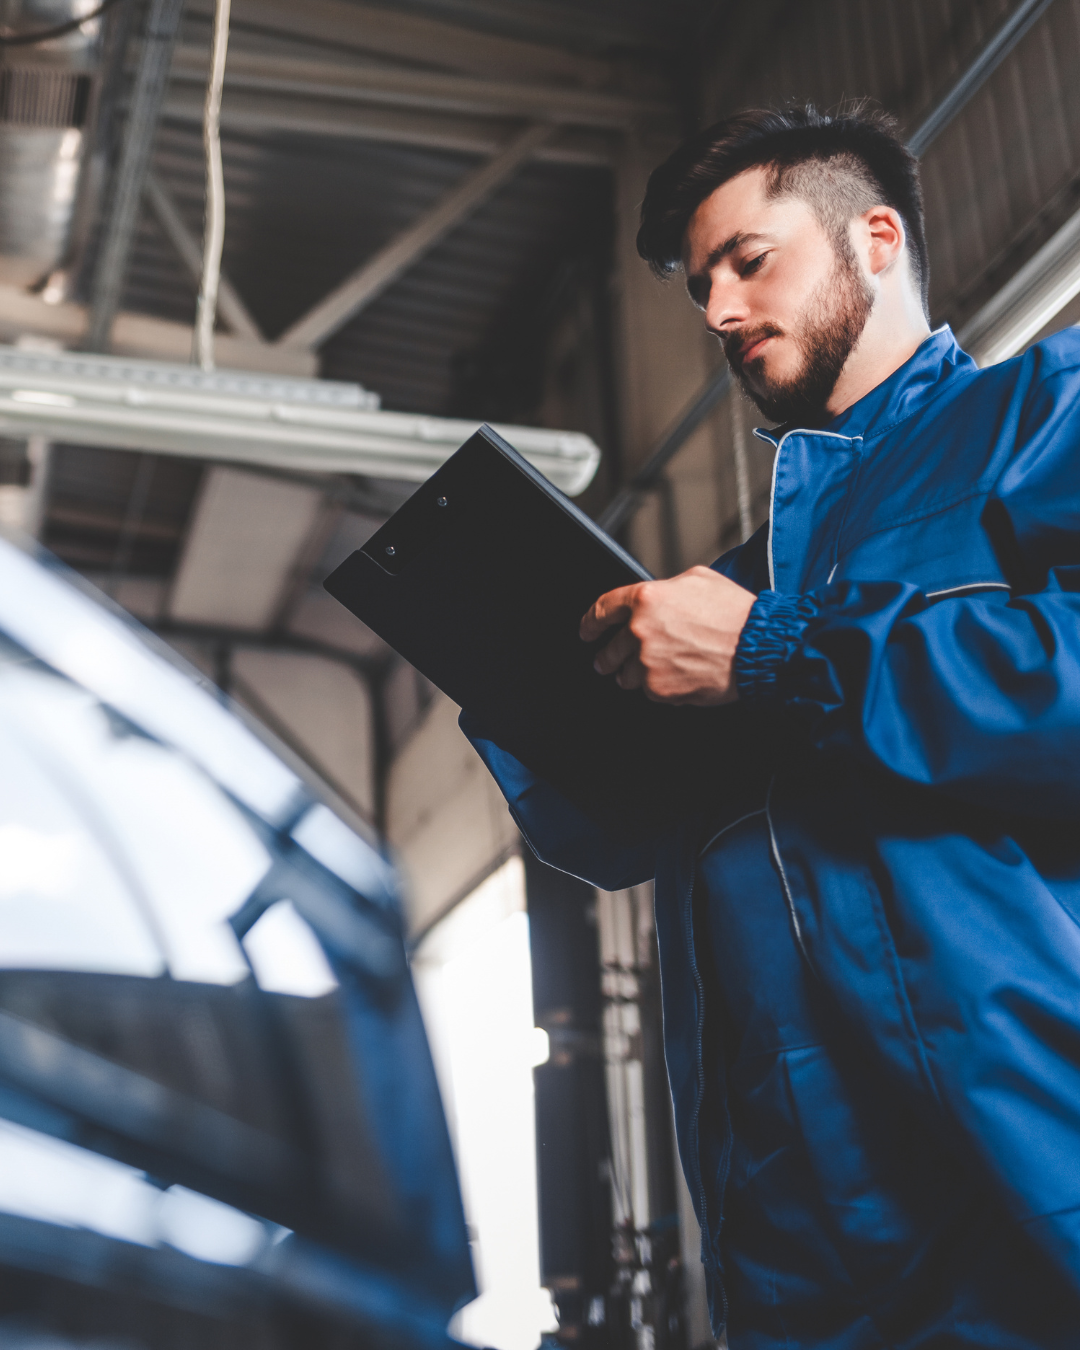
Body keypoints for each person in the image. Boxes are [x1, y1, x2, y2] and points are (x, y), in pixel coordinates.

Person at [463, 104, 1080, 1348]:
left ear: (875, 238)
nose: (720, 310)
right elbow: (628, 837)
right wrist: (526, 681)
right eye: (701, 287)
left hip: (1018, 1181)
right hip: (793, 1246)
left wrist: (780, 652)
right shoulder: (735, 583)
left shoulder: (1042, 420)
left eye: (751, 259)